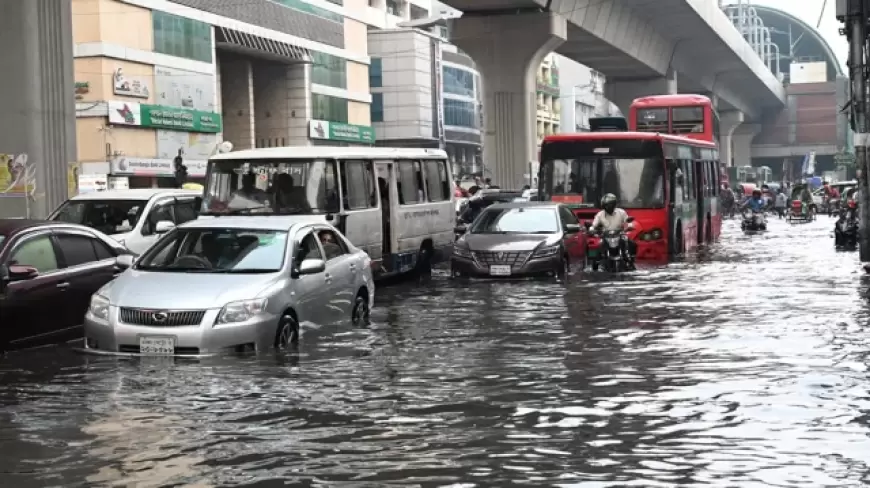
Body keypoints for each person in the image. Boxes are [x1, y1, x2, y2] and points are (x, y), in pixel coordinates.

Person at [591, 193, 637, 265]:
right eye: (606, 205)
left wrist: (630, 226)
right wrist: (592, 229)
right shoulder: (600, 214)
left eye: (609, 205)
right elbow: (594, 224)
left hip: (620, 234)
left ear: (613, 204)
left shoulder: (621, 212)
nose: (608, 207)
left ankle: (630, 259)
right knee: (598, 246)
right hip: (606, 236)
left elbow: (627, 220)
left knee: (632, 244)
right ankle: (597, 262)